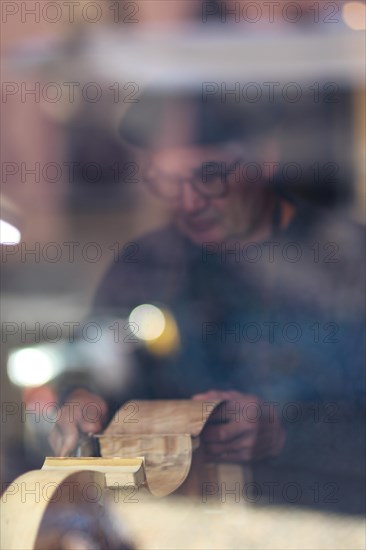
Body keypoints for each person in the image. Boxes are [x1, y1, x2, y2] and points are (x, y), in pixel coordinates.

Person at [49, 90, 365, 511]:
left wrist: (285, 436)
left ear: (264, 161)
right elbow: (95, 361)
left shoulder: (347, 261)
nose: (189, 202)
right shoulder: (146, 266)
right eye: (166, 181)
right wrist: (80, 397)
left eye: (209, 177)